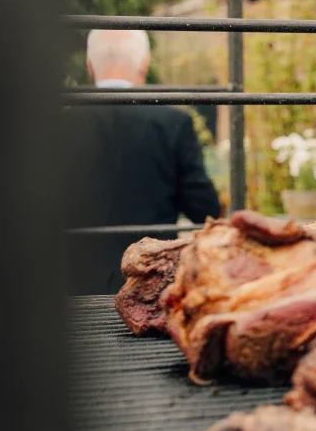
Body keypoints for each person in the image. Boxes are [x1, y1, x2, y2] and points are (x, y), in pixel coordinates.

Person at [65, 28, 222, 294]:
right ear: (145, 64)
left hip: (73, 289)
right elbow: (204, 209)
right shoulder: (173, 123)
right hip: (150, 288)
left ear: (89, 66)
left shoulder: (57, 125)